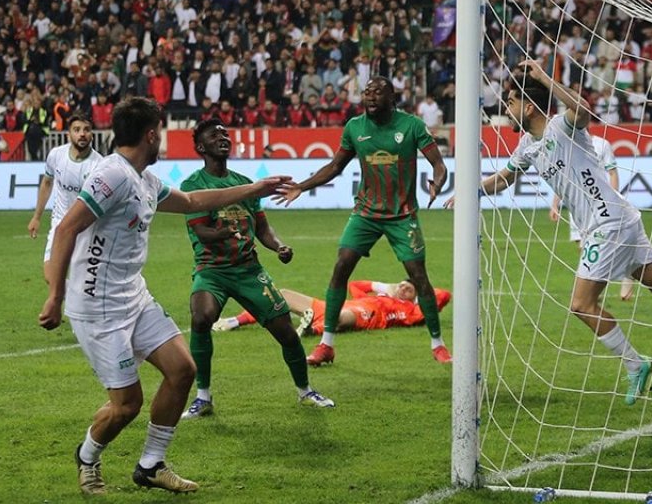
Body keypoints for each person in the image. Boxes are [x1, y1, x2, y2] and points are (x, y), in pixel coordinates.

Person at [450, 60, 652, 405]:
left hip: (607, 224)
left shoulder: (563, 127)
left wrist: (544, 77)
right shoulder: (526, 147)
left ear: (529, 106)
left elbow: (582, 108)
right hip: (620, 219)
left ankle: (635, 363)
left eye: (511, 102)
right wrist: (471, 190)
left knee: (581, 304)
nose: (506, 110)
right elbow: (504, 179)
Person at [37, 97, 291, 495]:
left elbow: (191, 201)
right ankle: (87, 456)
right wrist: (55, 296)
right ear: (151, 135)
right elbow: (67, 228)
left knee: (183, 369)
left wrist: (254, 188)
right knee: (126, 405)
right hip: (98, 307)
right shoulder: (113, 175)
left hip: (133, 296)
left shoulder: (144, 178)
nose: (165, 139)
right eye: (162, 132)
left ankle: (151, 465)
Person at [275, 77, 451, 365]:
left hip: (402, 215)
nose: (370, 96)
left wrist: (438, 183)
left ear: (392, 98)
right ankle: (326, 344)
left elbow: (439, 165)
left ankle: (438, 344)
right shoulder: (355, 127)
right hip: (366, 213)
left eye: (378, 92)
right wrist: (302, 187)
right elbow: (335, 166)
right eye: (367, 92)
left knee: (418, 276)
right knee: (341, 265)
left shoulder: (412, 126)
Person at [180, 119, 334, 419]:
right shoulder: (193, 186)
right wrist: (224, 232)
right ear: (200, 146)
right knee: (201, 318)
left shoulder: (245, 183)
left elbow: (262, 227)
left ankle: (305, 391)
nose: (223, 137)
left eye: (225, 134)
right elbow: (202, 232)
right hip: (212, 271)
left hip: (249, 270)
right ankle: (203, 397)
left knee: (286, 332)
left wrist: (279, 246)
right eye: (214, 135)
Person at [549, 134, 636, 301]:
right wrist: (555, 204)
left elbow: (612, 173)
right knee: (584, 249)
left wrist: (613, 199)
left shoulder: (601, 144)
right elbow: (564, 178)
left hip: (599, 204)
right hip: (576, 205)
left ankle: (593, 293)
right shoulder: (566, 146)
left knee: (596, 248)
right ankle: (627, 270)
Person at [213, 280, 452, 336]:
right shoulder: (383, 294)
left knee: (342, 316)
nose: (402, 288)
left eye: (408, 289)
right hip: (330, 306)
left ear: (416, 297)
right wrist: (383, 286)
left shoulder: (411, 311)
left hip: (366, 316)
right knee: (281, 295)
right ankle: (233, 321)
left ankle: (312, 330)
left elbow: (444, 296)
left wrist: (421, 292)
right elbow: (355, 285)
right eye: (401, 285)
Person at [28, 115, 103, 271]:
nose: (82, 134)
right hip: (60, 223)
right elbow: (47, 183)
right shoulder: (56, 155)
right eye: (77, 130)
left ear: (92, 134)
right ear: (69, 134)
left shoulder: (100, 165)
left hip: (87, 229)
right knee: (50, 274)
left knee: (84, 279)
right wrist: (36, 217)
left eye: (86, 130)